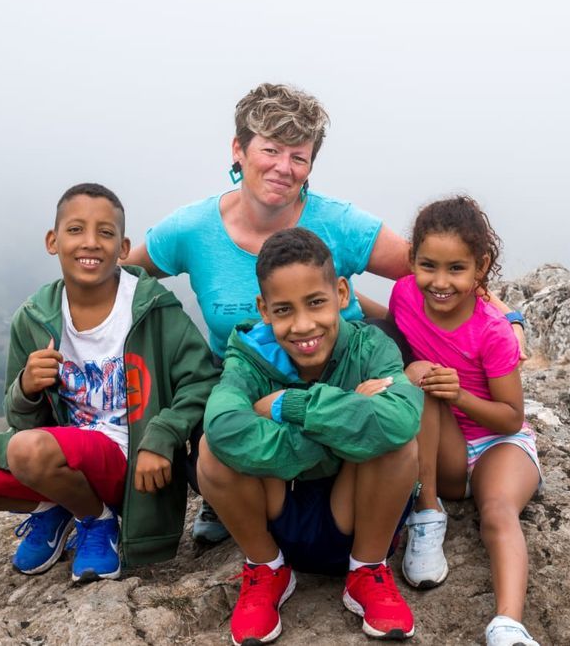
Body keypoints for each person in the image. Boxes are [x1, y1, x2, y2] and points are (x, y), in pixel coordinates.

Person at [126, 83, 526, 543]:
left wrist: (506, 316)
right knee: (210, 446)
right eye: (270, 150)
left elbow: (430, 266)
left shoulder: (338, 222)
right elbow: (122, 281)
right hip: (254, 375)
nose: (283, 167)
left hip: (343, 375)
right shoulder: (192, 229)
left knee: (378, 425)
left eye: (299, 156)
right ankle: (240, 500)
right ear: (238, 149)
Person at [0, 183, 218, 582]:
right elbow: (19, 420)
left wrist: (162, 435)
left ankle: (97, 520)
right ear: (53, 241)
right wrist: (26, 387)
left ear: (123, 247)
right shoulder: (33, 318)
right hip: (53, 456)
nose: (90, 243)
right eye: (75, 230)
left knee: (30, 450)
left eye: (105, 232)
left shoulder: (154, 309)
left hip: (129, 461)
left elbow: (202, 381)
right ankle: (54, 507)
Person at [197, 228, 422, 644]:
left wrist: (289, 407)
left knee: (398, 444)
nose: (303, 326)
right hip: (278, 515)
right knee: (211, 451)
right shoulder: (247, 357)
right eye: (284, 310)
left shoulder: (371, 347)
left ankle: (368, 571)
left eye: (316, 302)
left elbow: (403, 417)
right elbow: (225, 426)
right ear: (264, 309)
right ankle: (266, 569)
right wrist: (345, 421)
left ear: (340, 292)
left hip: (355, 514)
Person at [389, 196, 543, 646]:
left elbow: (512, 418)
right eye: (427, 265)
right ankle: (428, 512)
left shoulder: (493, 330)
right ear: (412, 260)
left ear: (481, 267)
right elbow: (383, 329)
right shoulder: (403, 296)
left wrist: (461, 394)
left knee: (497, 511)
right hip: (445, 450)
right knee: (423, 384)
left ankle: (509, 625)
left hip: (499, 444)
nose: (440, 282)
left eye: (456, 268)